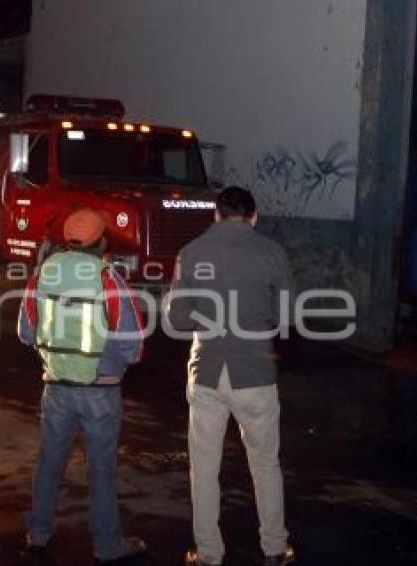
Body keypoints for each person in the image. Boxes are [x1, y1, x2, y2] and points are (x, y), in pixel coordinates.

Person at [167, 186, 295, 566]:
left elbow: (176, 318)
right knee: (266, 463)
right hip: (255, 371)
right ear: (253, 217)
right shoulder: (272, 252)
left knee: (204, 467)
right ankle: (274, 548)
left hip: (206, 371)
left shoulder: (191, 253)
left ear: (216, 215)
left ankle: (208, 554)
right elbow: (285, 317)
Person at [18, 208, 147, 562]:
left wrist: (57, 356)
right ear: (100, 242)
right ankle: (107, 545)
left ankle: (38, 533)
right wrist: (108, 365)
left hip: (56, 386)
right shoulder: (109, 279)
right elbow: (132, 345)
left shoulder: (42, 276)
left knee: (49, 462)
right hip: (100, 392)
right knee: (101, 469)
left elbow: (26, 332)